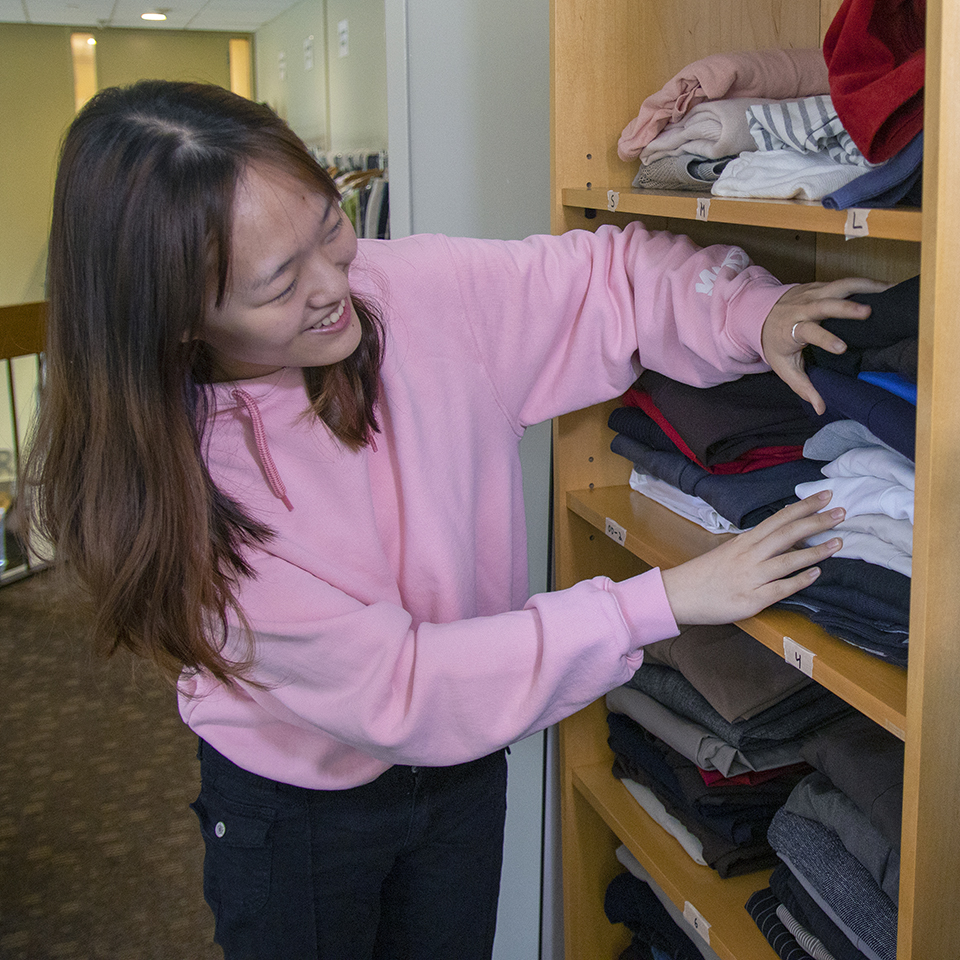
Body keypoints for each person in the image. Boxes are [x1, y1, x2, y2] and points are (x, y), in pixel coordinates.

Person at [22, 79, 883, 960]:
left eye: (330, 229)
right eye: (280, 284)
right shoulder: (186, 486)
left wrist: (753, 311)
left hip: (462, 768)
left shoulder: (404, 292)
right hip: (297, 809)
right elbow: (403, 685)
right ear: (176, 321)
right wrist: (657, 602)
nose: (335, 289)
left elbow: (606, 276)